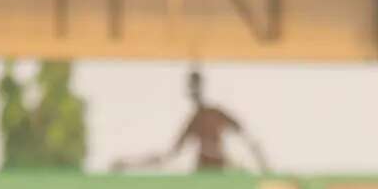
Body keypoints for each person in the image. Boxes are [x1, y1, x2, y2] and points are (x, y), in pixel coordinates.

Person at [112, 69, 268, 173]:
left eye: (195, 87)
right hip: (203, 170)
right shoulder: (194, 119)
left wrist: (261, 165)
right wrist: (132, 164)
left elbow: (246, 136)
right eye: (191, 88)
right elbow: (171, 154)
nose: (193, 92)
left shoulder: (215, 113)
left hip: (220, 168)